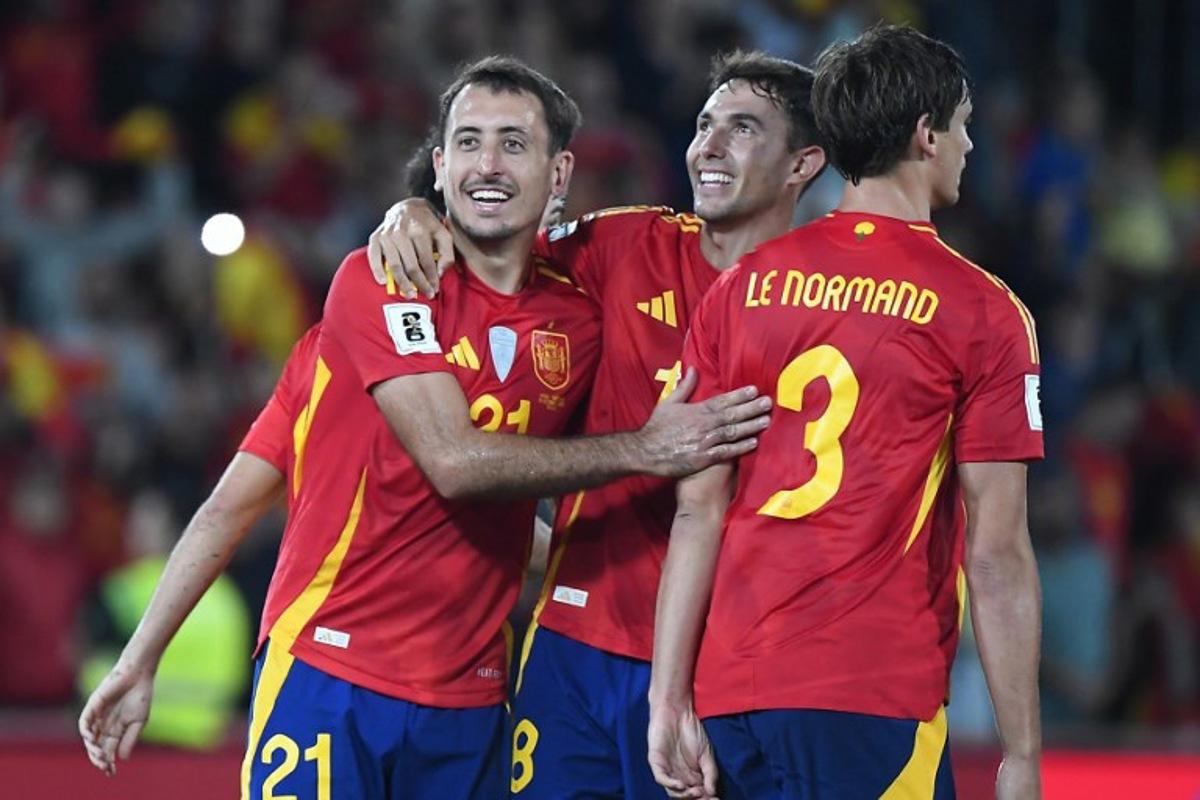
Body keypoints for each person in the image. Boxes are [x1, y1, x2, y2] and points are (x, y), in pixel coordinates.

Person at [78, 57, 771, 800]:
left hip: (472, 701)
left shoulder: (577, 314)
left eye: (513, 143)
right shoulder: (382, 281)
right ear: (438, 165)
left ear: (558, 172)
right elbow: (431, 467)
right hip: (331, 675)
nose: (488, 164)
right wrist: (138, 658)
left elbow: (509, 500)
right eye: (467, 143)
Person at [368, 51, 825, 798]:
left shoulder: (821, 301)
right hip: (572, 649)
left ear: (803, 162)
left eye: (742, 129)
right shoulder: (622, 245)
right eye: (704, 125)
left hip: (722, 666)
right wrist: (415, 206)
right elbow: (488, 239)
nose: (707, 147)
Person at [648, 25, 1044, 800]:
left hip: (734, 696)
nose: (969, 146)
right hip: (869, 693)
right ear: (926, 135)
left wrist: (668, 697)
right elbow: (995, 555)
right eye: (963, 126)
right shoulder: (982, 312)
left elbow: (698, 510)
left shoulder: (743, 288)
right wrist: (1021, 753)